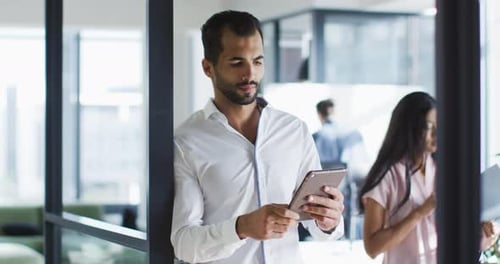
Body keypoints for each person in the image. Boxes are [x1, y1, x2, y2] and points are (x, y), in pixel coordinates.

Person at [170, 10, 344, 264]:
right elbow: (184, 244)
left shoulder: (293, 130)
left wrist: (329, 219)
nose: (250, 74)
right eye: (237, 62)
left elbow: (320, 228)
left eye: (258, 61)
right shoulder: (186, 140)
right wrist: (240, 228)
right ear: (208, 67)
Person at [358, 91, 499, 263]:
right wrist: (420, 212)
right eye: (429, 127)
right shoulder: (388, 175)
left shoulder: (443, 171)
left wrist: (479, 235)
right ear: (410, 129)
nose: (436, 134)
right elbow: (372, 247)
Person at [312, 98, 367, 240]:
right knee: (346, 206)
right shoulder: (350, 134)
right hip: (347, 177)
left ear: (319, 114)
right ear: (334, 112)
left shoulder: (316, 137)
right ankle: (348, 237)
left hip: (324, 181)